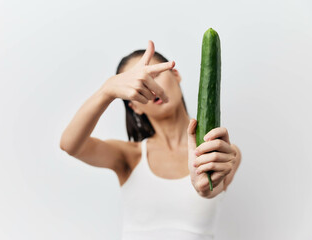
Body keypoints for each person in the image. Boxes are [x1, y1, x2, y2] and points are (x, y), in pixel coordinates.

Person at [60, 40, 242, 240]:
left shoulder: (221, 152)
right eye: (141, 85)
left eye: (154, 75)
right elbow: (70, 145)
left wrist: (207, 186)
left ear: (176, 75)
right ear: (134, 107)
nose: (152, 87)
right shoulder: (130, 156)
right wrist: (107, 90)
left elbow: (211, 190)